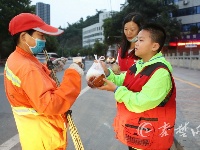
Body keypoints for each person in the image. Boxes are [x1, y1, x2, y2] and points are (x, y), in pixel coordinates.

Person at [4, 13, 84, 150]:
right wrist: (73, 74)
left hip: (33, 136)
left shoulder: (17, 58)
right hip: (44, 139)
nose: (44, 40)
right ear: (24, 37)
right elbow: (51, 104)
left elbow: (32, 84)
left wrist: (49, 69)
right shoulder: (27, 67)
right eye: (41, 35)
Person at [98, 23, 176, 150]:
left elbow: (141, 103)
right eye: (136, 40)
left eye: (141, 40)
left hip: (152, 141)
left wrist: (116, 90)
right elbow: (122, 80)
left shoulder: (160, 72)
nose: (136, 43)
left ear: (155, 46)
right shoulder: (138, 65)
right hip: (136, 135)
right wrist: (107, 72)